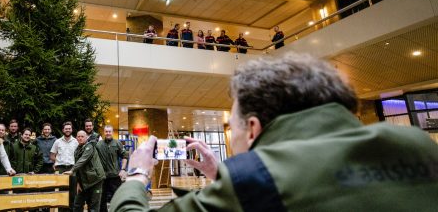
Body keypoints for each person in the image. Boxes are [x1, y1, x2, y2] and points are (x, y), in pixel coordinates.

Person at [110, 53, 438, 211]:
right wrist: (221, 177)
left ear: (252, 129)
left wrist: (138, 174)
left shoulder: (257, 179)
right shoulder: (417, 143)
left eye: (233, 125)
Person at [64, 130, 105, 212]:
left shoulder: (89, 147)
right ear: (76, 138)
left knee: (93, 206)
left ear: (86, 137)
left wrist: (72, 170)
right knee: (77, 205)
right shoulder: (77, 150)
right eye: (78, 136)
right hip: (85, 182)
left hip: (96, 180)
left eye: (82, 136)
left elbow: (82, 160)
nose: (80, 138)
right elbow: (79, 167)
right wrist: (78, 182)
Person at [96, 125, 128, 212]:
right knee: (102, 200)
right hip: (102, 177)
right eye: (106, 131)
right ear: (104, 132)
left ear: (112, 132)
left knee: (118, 198)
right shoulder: (98, 144)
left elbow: (125, 155)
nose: (108, 133)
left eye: (109, 131)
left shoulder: (117, 143)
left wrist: (123, 169)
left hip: (115, 176)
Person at [51, 121, 79, 211]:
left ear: (72, 130)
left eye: (69, 128)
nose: (68, 130)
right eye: (66, 129)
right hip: (60, 168)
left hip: (72, 168)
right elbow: (52, 155)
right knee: (61, 192)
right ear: (63, 130)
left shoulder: (76, 141)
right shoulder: (57, 141)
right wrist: (55, 163)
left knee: (72, 192)